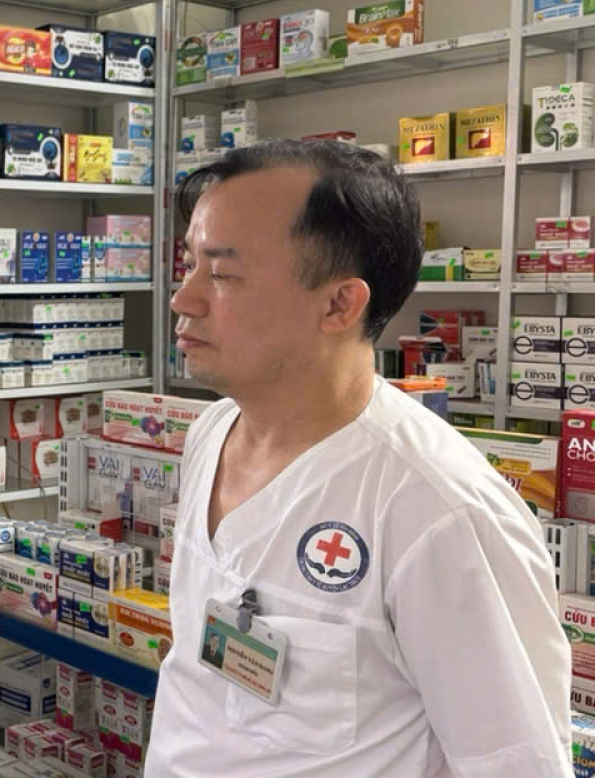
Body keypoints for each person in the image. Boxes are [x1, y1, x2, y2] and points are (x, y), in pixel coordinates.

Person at [147, 139, 570, 776]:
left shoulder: (439, 512)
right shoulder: (212, 431)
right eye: (189, 266)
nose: (183, 298)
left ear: (339, 304)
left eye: (222, 274)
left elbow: (516, 764)